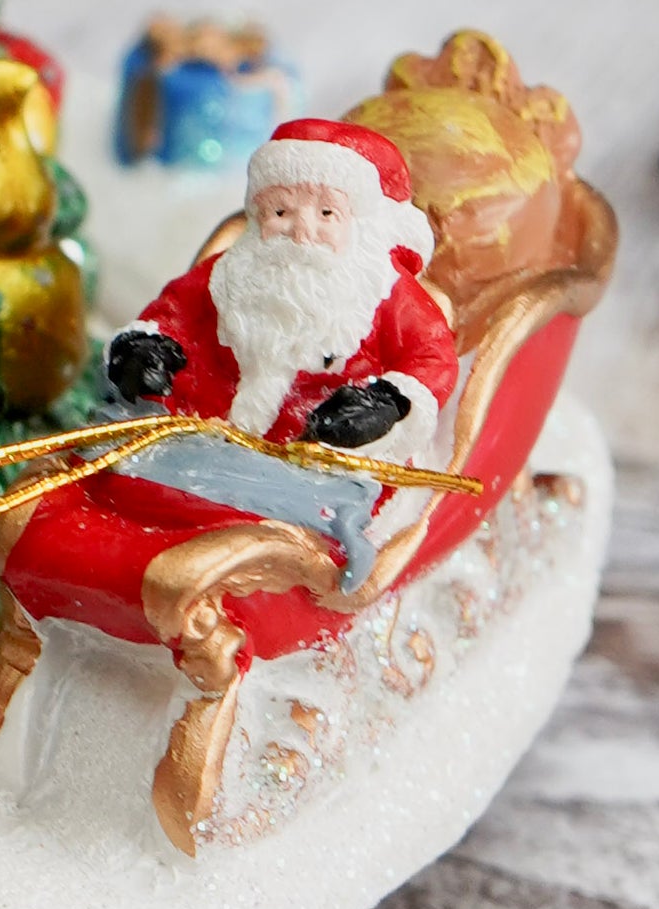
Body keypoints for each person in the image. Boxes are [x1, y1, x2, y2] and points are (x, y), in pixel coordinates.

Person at [100, 117, 461, 591]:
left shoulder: (387, 294)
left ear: (360, 224)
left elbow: (430, 358)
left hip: (313, 467)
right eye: (280, 212)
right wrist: (144, 349)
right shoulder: (229, 273)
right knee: (122, 477)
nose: (300, 231)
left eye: (327, 214)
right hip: (198, 445)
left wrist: (389, 404)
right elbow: (171, 316)